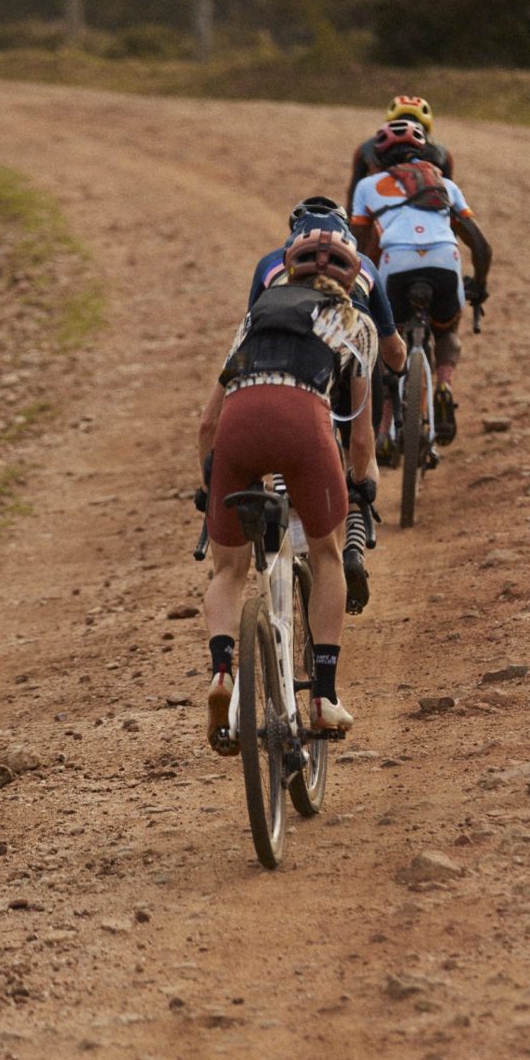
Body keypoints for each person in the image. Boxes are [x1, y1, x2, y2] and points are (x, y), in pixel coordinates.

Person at [198, 224, 378, 752]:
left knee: (229, 570)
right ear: (352, 279)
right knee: (325, 554)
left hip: (238, 426)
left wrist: (207, 485)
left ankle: (222, 671)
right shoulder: (357, 322)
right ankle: (323, 696)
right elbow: (361, 437)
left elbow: (207, 424)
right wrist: (361, 485)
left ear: (289, 271)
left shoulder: (256, 317)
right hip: (303, 422)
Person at [246, 197, 403, 613]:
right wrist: (399, 369)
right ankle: (354, 536)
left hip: (290, 366)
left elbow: (254, 328)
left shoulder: (271, 263)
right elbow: (393, 349)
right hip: (355, 355)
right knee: (360, 451)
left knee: (289, 434)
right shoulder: (364, 266)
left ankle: (284, 500)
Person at [350, 119, 492, 449]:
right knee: (446, 331)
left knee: (389, 338)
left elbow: (358, 245)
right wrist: (479, 285)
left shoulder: (368, 186)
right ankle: (444, 384)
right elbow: (481, 246)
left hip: (395, 263)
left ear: (380, 156)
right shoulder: (445, 185)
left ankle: (385, 426)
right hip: (445, 260)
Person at [346, 94, 454, 213]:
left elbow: (354, 194)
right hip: (428, 211)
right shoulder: (441, 152)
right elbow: (449, 197)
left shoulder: (366, 148)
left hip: (381, 211)